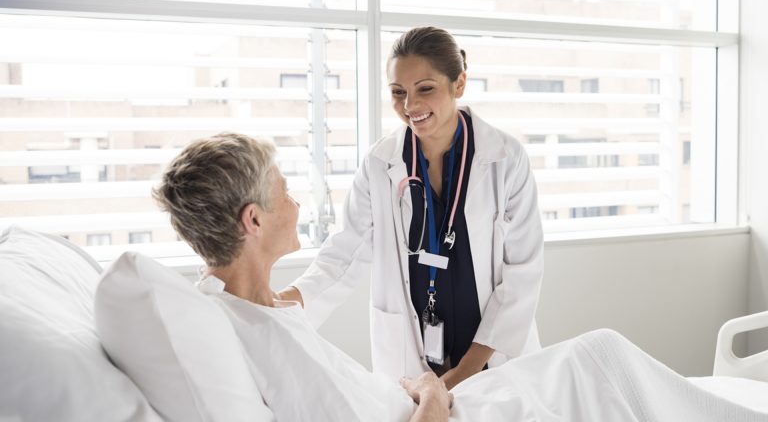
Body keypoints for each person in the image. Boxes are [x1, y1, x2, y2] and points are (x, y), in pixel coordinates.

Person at [153, 132, 768, 422]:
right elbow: (346, 254)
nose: (296, 204)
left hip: (458, 394)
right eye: (285, 192)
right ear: (253, 219)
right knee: (605, 362)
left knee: (602, 357)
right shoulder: (263, 334)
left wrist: (440, 386)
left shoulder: (243, 314)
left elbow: (521, 275)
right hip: (446, 407)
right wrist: (431, 392)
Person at [279, 26, 544, 390]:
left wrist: (460, 376)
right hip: (413, 362)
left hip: (490, 358)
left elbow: (522, 275)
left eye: (425, 89)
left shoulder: (505, 158)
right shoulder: (380, 163)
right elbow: (345, 252)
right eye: (398, 92)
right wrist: (286, 300)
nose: (409, 106)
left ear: (459, 84)